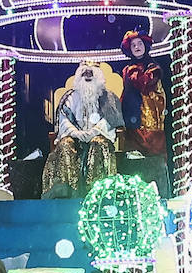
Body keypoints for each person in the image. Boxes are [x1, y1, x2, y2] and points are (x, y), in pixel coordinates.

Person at [42, 59, 122, 198]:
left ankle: (97, 190)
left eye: (91, 73)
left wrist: (92, 132)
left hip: (98, 136)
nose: (88, 75)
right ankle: (67, 190)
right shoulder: (70, 96)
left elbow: (110, 120)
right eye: (85, 72)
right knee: (65, 144)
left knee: (98, 143)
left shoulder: (108, 97)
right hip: (75, 138)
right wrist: (76, 133)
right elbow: (64, 119)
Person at [118, 30, 167, 156]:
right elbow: (126, 92)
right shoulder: (126, 69)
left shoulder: (153, 67)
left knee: (152, 160)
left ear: (145, 45)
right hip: (131, 122)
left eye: (139, 43)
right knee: (132, 161)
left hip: (149, 124)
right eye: (133, 45)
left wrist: (135, 71)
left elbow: (144, 85)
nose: (137, 47)